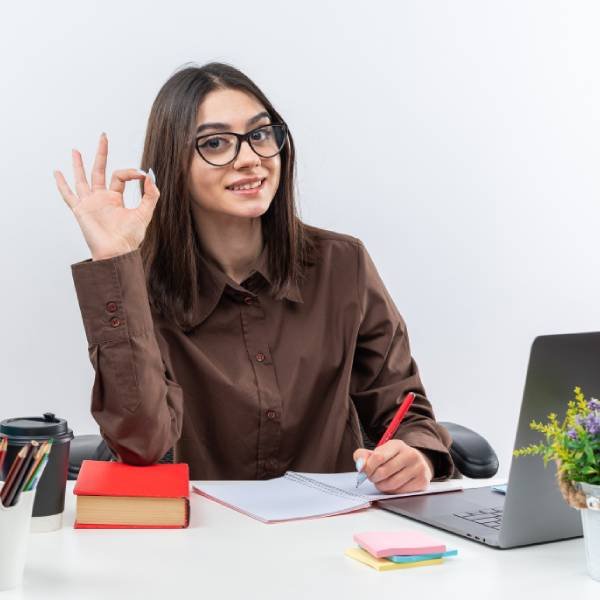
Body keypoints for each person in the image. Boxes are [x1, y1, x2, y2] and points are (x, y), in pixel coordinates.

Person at [54, 62, 458, 493]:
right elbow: (142, 446)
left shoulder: (343, 264)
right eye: (215, 142)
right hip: (199, 542)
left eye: (260, 134)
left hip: (331, 536)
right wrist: (116, 263)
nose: (249, 159)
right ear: (174, 164)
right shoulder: (140, 287)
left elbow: (405, 411)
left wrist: (416, 456)